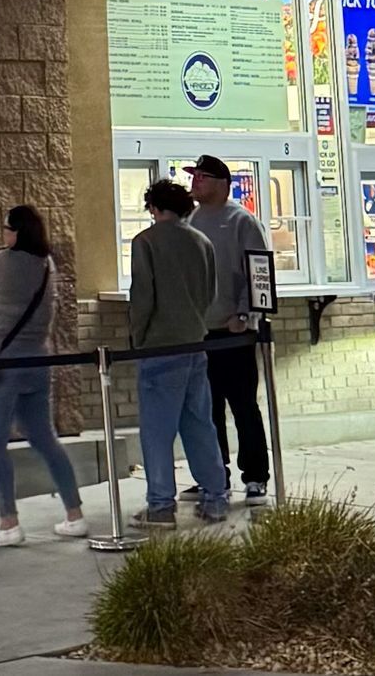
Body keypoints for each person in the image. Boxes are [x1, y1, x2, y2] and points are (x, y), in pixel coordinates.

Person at [0, 205, 88, 548]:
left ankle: (8, 522)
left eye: (5, 227)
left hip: (0, 360)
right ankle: (74, 514)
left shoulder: (3, 260)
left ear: (15, 232)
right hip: (38, 359)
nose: (3, 233)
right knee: (45, 438)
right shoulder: (47, 264)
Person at [128, 178, 228, 527]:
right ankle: (216, 498)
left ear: (154, 208)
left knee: (157, 433)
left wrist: (137, 339)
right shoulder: (202, 242)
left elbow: (143, 297)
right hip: (195, 344)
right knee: (200, 425)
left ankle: (161, 506)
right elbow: (210, 293)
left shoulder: (146, 242)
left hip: (159, 346)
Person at [186, 156, 272, 502]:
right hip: (198, 332)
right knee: (207, 409)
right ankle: (212, 474)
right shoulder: (189, 220)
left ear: (221, 183)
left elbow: (258, 270)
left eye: (201, 178)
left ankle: (255, 475)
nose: (194, 183)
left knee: (243, 406)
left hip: (233, 332)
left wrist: (245, 314)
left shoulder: (242, 221)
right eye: (193, 177)